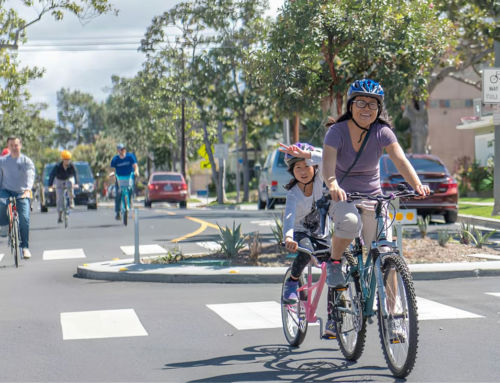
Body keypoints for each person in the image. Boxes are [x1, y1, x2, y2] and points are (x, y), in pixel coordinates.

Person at [322, 78, 430, 289]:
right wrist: (333, 184)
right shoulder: (337, 132)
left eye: (372, 104)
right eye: (361, 102)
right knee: (351, 222)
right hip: (343, 195)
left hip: (373, 197)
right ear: (350, 105)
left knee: (387, 254)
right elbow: (327, 165)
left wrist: (417, 184)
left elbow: (401, 160)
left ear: (379, 108)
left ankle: (395, 316)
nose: (366, 108)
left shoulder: (382, 132)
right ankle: (334, 261)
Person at [280, 142, 337, 338]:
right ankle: (292, 282)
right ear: (292, 171)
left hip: (321, 233)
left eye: (306, 166)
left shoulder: (321, 180)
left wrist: (306, 153)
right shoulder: (293, 194)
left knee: (335, 268)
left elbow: (326, 158)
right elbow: (288, 218)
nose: (303, 171)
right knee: (305, 253)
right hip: (299, 233)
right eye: (298, 167)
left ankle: (333, 317)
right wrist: (288, 237)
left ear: (314, 168)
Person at [0, 137, 35, 259]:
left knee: (24, 219)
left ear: (20, 145)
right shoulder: (2, 161)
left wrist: (27, 189)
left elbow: (30, 175)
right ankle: (4, 225)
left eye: (16, 145)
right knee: (1, 203)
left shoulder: (26, 161)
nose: (14, 148)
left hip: (22, 192)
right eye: (11, 145)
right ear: (8, 147)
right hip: (6, 191)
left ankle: (25, 247)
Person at [48, 150, 79, 223]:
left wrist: (77, 183)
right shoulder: (57, 166)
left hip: (68, 179)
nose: (67, 161)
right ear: (62, 160)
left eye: (68, 159)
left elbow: (76, 174)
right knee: (59, 198)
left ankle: (71, 201)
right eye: (65, 159)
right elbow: (52, 175)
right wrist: (50, 185)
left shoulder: (72, 166)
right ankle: (59, 215)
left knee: (70, 182)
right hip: (59, 180)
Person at [110, 143, 139, 220]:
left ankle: (130, 203)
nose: (122, 151)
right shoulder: (115, 159)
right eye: (120, 150)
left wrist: (136, 171)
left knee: (130, 190)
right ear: (118, 151)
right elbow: (112, 170)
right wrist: (112, 174)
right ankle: (118, 212)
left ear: (125, 150)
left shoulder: (130, 157)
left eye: (123, 149)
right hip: (119, 178)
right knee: (118, 194)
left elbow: (135, 166)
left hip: (129, 177)